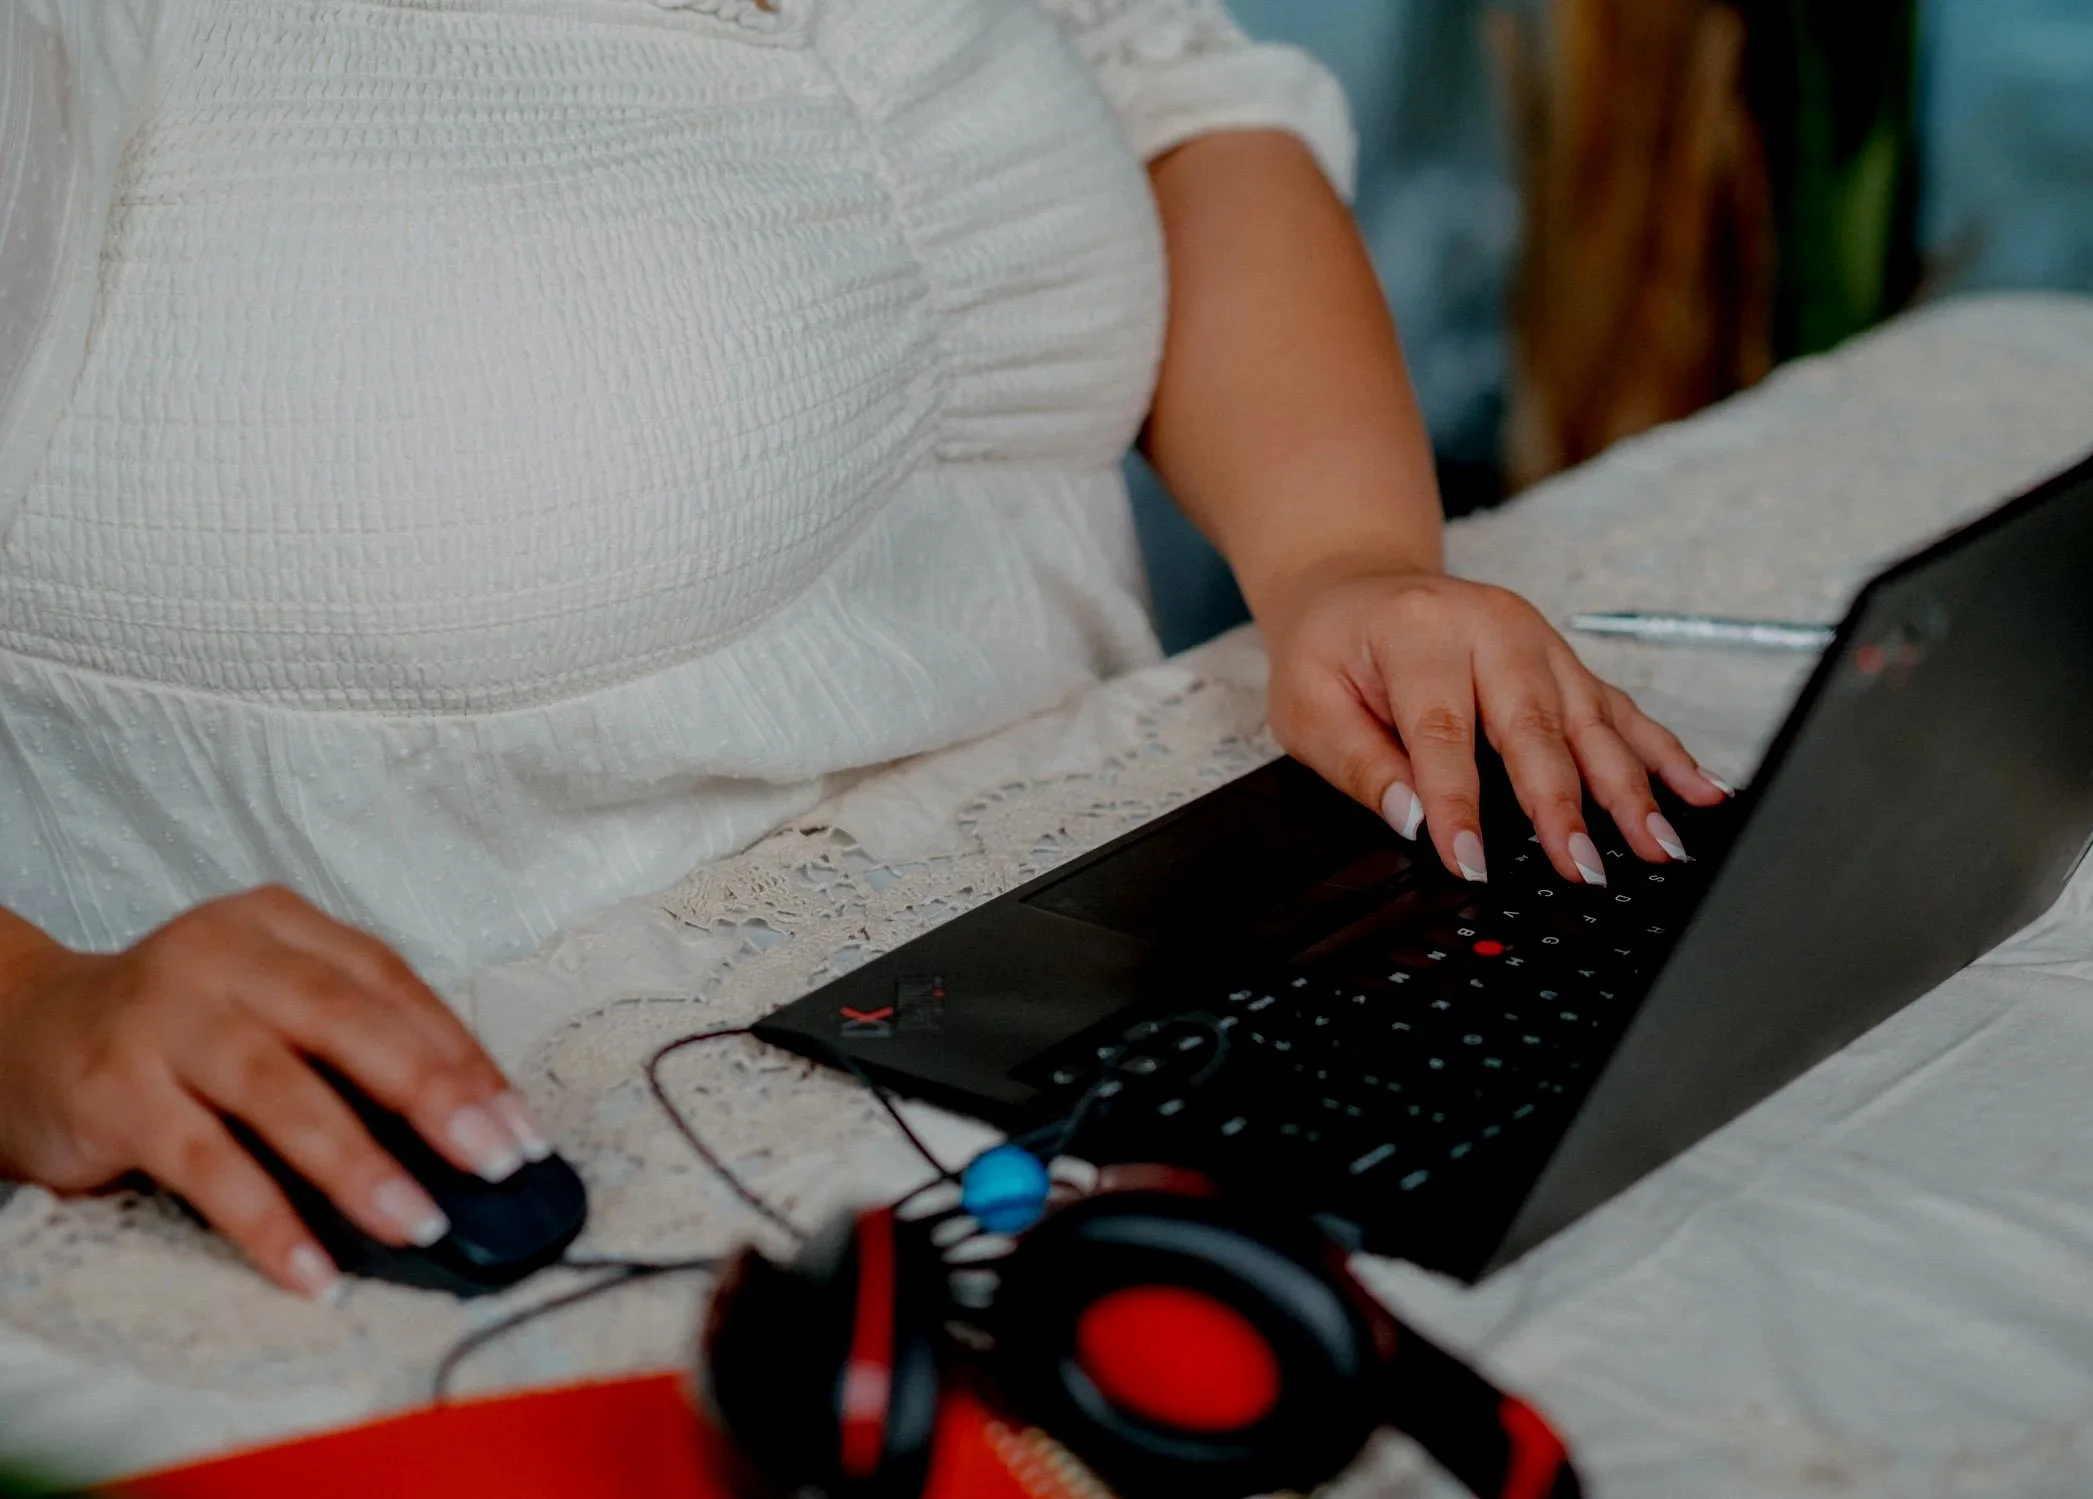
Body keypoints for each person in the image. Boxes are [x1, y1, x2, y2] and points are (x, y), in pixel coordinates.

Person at [0, 0, 1724, 1299]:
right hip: (515, 1196)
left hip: (1095, 999)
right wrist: (44, 1016)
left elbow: (1170, 105)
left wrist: (1343, 559)